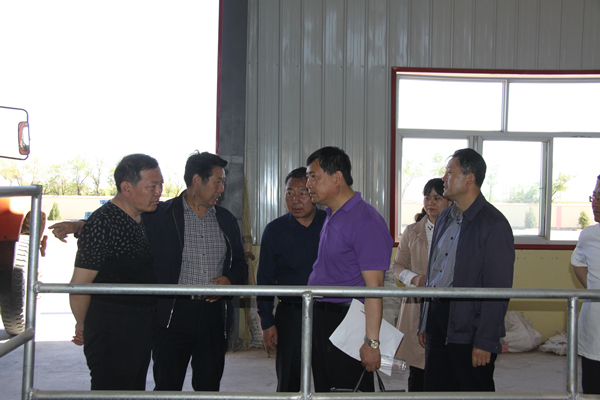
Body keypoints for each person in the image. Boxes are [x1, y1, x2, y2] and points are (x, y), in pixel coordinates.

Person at [51, 151, 248, 392]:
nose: (221, 189)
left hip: (212, 315)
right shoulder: (161, 214)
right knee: (166, 385)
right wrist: (79, 225)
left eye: (223, 183)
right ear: (197, 181)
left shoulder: (226, 220)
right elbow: (119, 218)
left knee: (208, 385)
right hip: (172, 313)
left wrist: (230, 280)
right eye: (218, 182)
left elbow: (241, 264)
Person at [418, 148, 514, 392]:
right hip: (438, 317)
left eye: (450, 172)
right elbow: (434, 272)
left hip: (469, 324)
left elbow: (498, 289)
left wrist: (485, 340)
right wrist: (426, 321)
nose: (444, 178)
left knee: (471, 389)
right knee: (435, 389)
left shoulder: (494, 224)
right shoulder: (444, 218)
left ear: (469, 179)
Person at [69, 153, 163, 390]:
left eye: (160, 185)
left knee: (133, 391)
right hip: (112, 330)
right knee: (113, 391)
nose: (158, 192)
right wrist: (83, 325)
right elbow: (79, 286)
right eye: (152, 186)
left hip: (138, 326)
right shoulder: (104, 223)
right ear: (126, 188)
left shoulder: (140, 218)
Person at [305, 146, 393, 392]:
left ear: (337, 177)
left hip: (348, 321)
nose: (308, 184)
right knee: (325, 390)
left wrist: (372, 342)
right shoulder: (332, 215)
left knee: (348, 390)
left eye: (313, 176)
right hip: (322, 317)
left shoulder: (365, 221)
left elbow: (374, 287)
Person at [256, 167, 326, 392]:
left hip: (328, 313)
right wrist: (267, 322)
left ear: (313, 193)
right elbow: (265, 279)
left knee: (330, 381)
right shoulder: (274, 231)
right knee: (289, 383)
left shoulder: (331, 224)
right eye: (289, 193)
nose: (295, 200)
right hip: (291, 316)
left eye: (302, 193)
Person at [391, 178, 452, 392]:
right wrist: (414, 279)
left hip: (445, 305)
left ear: (450, 201)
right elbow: (397, 266)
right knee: (418, 368)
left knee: (444, 367)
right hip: (416, 304)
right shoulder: (412, 231)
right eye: (427, 198)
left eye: (437, 198)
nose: (430, 203)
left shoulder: (456, 230)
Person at [571, 175, 600, 395]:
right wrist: (593, 290)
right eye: (595, 196)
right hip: (594, 332)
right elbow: (578, 262)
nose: (595, 203)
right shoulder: (589, 235)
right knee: (592, 389)